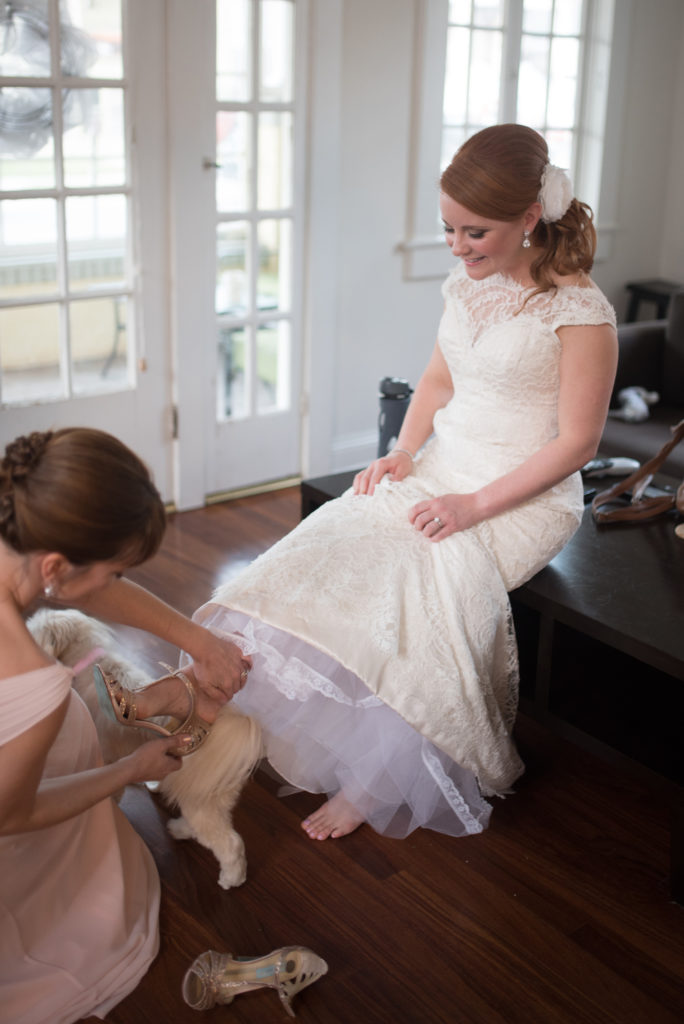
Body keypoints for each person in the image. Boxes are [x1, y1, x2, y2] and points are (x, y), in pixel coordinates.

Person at [194, 123, 618, 842]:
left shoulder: (582, 312)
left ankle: (373, 780)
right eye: (448, 228)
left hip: (519, 498)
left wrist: (471, 505)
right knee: (328, 538)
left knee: (415, 579)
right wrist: (404, 452)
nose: (457, 247)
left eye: (474, 232)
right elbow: (438, 379)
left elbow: (579, 443)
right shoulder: (466, 285)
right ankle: (241, 692)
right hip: (442, 466)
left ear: (528, 217)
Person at [0, 427, 251, 1024]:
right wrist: (132, 769)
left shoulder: (20, 539)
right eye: (114, 572)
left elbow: (83, 591)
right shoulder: (32, 683)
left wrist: (198, 640)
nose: (114, 585)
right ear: (56, 566)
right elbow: (10, 817)